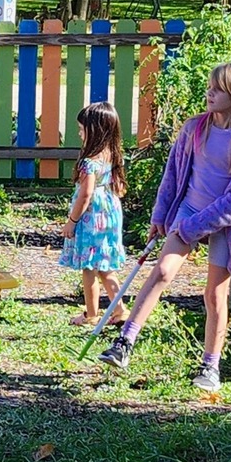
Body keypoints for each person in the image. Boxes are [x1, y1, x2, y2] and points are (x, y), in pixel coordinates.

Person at [100, 62, 231, 392]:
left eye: (219, 90)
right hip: (189, 208)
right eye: (210, 86)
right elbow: (174, 176)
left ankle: (210, 367)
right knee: (161, 271)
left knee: (215, 294)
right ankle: (124, 342)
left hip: (224, 224)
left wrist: (192, 227)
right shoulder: (195, 128)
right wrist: (161, 216)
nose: (210, 93)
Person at [60, 102, 128, 326]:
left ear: (95, 131)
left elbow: (85, 195)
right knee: (105, 266)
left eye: (82, 129)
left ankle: (91, 315)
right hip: (109, 214)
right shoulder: (111, 155)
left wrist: (72, 221)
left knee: (89, 267)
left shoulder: (89, 163)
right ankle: (120, 310)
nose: (79, 134)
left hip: (92, 217)